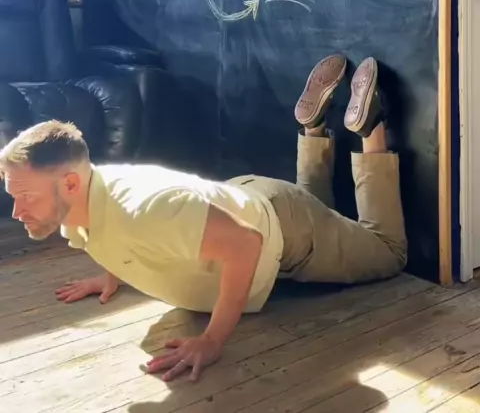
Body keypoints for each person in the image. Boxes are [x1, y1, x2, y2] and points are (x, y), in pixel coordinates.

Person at [0, 54, 406, 383]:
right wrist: (113, 274)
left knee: (387, 252)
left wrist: (212, 340)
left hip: (282, 230)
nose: (17, 211)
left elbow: (245, 245)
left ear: (70, 183)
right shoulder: (83, 201)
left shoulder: (145, 209)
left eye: (26, 196)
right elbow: (108, 229)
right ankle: (313, 127)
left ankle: (371, 127)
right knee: (320, 211)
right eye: (12, 195)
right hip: (247, 202)